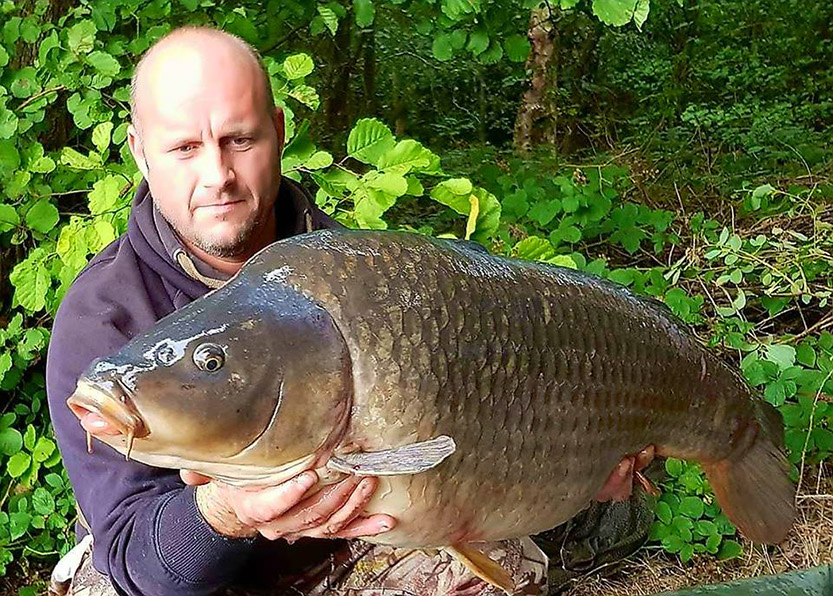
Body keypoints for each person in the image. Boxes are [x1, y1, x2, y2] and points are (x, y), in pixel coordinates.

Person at [46, 26, 654, 596]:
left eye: (240, 139)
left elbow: (493, 422)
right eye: (184, 148)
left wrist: (584, 458)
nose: (218, 176)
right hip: (177, 564)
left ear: (279, 132)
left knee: (498, 567)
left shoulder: (362, 282)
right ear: (140, 152)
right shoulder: (103, 317)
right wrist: (227, 512)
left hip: (352, 542)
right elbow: (135, 555)